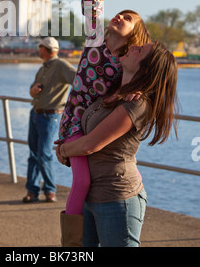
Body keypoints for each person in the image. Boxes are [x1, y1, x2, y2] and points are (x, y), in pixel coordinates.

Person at [57, 0, 151, 245]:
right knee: (80, 178)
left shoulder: (126, 62)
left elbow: (141, 80)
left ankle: (71, 242)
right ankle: (74, 240)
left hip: (86, 123)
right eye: (120, 13)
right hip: (72, 117)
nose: (119, 17)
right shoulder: (95, 40)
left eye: (128, 19)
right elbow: (91, 0)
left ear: (134, 36)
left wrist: (135, 94)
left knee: (81, 179)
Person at [56, 40, 178, 247]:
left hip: (118, 199)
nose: (132, 48)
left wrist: (63, 150)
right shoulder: (111, 94)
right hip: (89, 197)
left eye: (139, 50)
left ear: (146, 68)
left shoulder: (136, 103)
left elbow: (91, 145)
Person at [22, 37, 76, 203]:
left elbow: (79, 80)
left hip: (50, 115)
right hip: (36, 113)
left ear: (44, 49)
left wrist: (72, 103)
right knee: (33, 153)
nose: (39, 51)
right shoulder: (43, 68)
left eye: (40, 48)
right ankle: (32, 190)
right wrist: (33, 90)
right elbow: (32, 90)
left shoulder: (61, 65)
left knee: (44, 154)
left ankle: (50, 190)